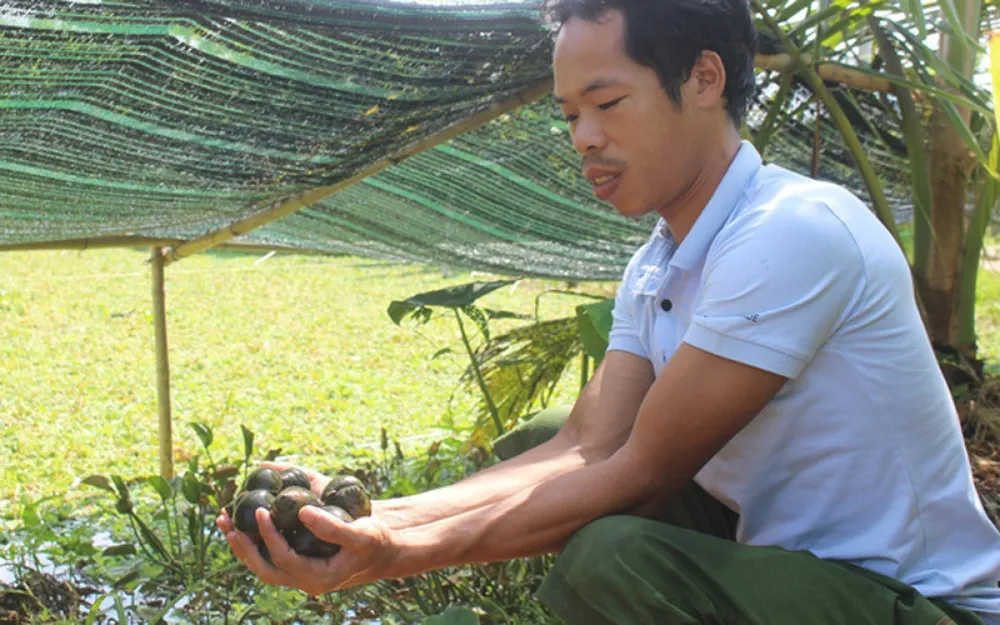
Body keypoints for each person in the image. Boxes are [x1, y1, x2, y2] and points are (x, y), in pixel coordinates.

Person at [218, 0, 1000, 623]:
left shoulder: (792, 230)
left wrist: (394, 553)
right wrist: (372, 518)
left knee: (613, 554)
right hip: (797, 570)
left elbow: (640, 472)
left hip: (918, 602)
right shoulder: (660, 259)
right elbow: (592, 443)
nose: (584, 138)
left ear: (702, 78)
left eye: (608, 102)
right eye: (569, 115)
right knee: (540, 440)